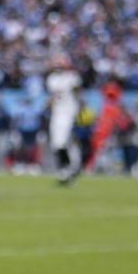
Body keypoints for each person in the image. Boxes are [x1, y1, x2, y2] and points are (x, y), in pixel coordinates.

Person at [46, 54, 82, 184]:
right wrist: (49, 102)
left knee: (63, 142)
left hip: (68, 113)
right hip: (57, 113)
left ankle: (68, 169)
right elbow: (52, 96)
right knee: (56, 144)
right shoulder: (52, 79)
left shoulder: (71, 78)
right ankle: (65, 169)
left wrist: (79, 110)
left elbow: (78, 93)